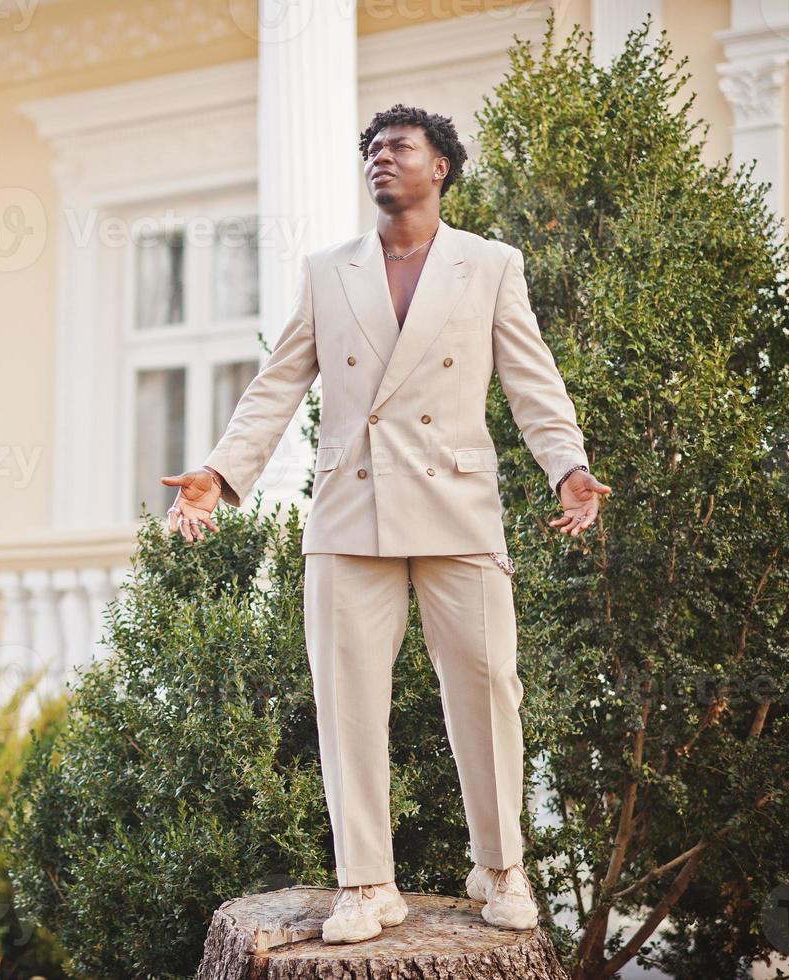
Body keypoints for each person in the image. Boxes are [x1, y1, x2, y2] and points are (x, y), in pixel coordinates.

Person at [160, 104, 611, 944]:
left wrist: (568, 466)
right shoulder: (329, 270)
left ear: (439, 166)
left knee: (486, 688)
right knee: (348, 703)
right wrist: (219, 474)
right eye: (370, 148)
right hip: (348, 508)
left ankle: (500, 866)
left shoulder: (489, 264)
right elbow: (276, 381)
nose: (379, 158)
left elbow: (530, 380)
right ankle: (366, 883)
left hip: (458, 506)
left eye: (398, 147)